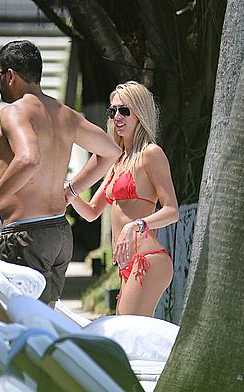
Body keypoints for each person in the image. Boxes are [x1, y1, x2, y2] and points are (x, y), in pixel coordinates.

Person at [0, 40, 121, 307]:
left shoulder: (14, 112)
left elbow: (28, 158)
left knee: (16, 325)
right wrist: (71, 190)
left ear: (10, 75)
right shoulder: (65, 114)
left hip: (26, 236)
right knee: (40, 325)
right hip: (59, 233)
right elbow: (111, 151)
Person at [66, 81, 179, 316]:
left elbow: (172, 210)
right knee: (129, 335)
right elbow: (91, 212)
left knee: (127, 332)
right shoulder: (117, 161)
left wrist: (135, 226)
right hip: (127, 265)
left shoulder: (150, 154)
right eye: (113, 110)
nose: (117, 116)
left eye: (124, 110)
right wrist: (69, 191)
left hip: (148, 260)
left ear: (140, 113)